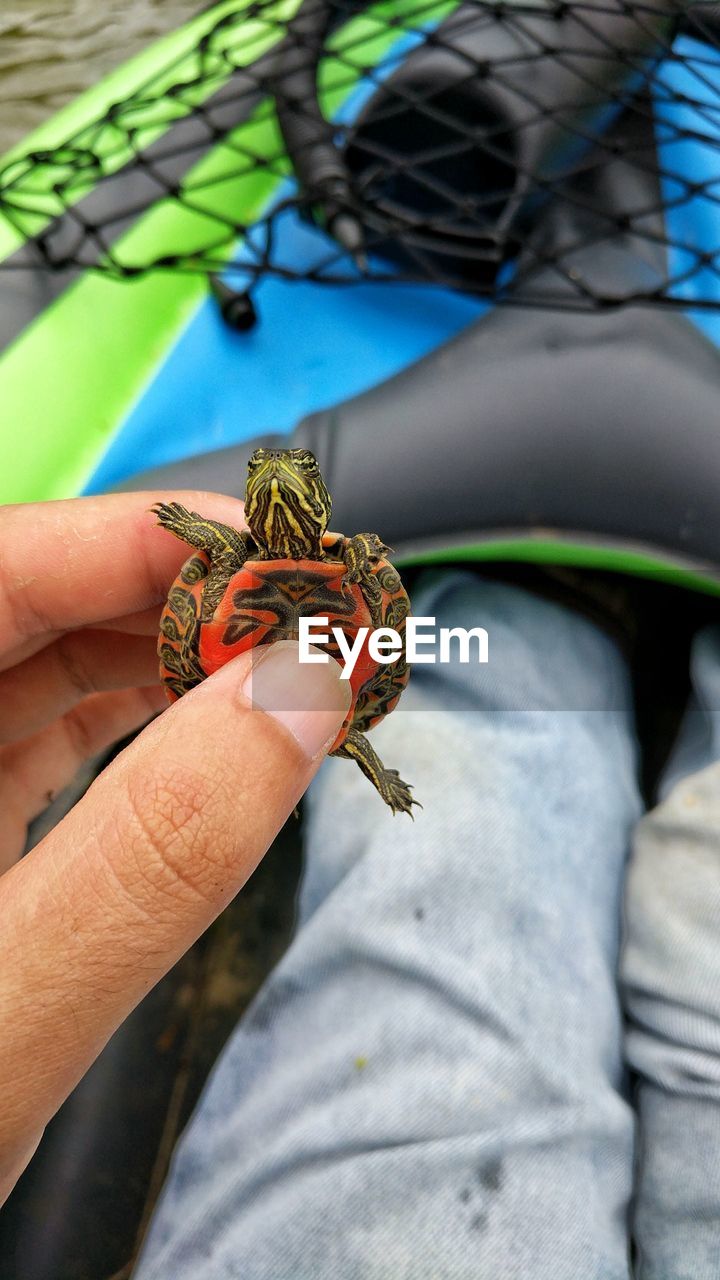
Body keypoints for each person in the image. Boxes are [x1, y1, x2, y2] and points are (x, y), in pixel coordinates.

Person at [1, 493, 718, 1278]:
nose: (280, 485)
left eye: (297, 479)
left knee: (467, 800)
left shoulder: (336, 563)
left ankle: (510, 626)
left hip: (310, 666)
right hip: (288, 668)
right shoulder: (264, 567)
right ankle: (519, 624)